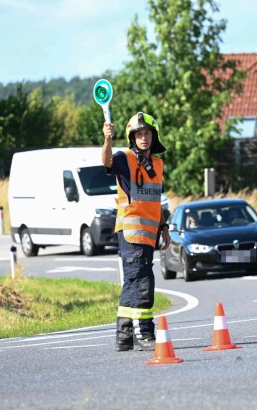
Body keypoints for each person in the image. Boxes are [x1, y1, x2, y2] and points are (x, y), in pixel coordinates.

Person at [102, 111, 171, 352]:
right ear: (133, 137)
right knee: (143, 282)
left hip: (148, 235)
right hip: (131, 233)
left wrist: (164, 228)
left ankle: (124, 337)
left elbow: (155, 201)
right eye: (139, 134)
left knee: (132, 282)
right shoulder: (125, 158)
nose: (144, 138)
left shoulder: (158, 165)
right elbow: (107, 162)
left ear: (154, 137)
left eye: (147, 133)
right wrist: (107, 139)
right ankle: (145, 334)